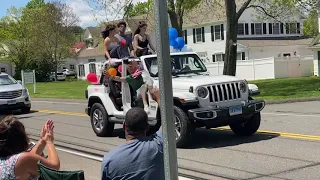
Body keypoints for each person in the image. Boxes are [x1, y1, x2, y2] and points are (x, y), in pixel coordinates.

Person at [101, 88, 163, 180]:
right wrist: (159, 99)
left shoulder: (110, 160)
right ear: (147, 127)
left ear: (124, 126)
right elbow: (167, 122)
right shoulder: (159, 145)